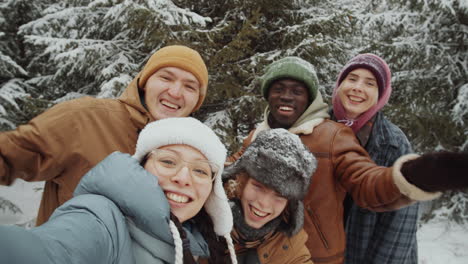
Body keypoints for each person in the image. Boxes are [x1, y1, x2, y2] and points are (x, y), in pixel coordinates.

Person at [228, 56, 468, 264]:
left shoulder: (333, 135)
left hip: (318, 256)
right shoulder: (258, 135)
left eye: (297, 91)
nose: (286, 97)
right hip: (264, 252)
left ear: (310, 98)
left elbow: (367, 181)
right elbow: (227, 172)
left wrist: (416, 175)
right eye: (278, 88)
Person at [0, 45, 210, 225]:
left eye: (189, 87)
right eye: (166, 77)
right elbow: (10, 154)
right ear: (144, 82)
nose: (175, 92)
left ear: (196, 101)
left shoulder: (194, 151)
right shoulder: (85, 119)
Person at [0, 117, 238, 264]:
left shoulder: (198, 241)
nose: (183, 178)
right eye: (167, 162)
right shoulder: (101, 218)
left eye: (200, 171)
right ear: (141, 166)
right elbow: (49, 252)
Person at [331, 53, 418, 263]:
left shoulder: (393, 144)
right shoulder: (316, 127)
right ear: (339, 84)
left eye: (370, 83)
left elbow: (399, 226)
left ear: (381, 95)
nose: (357, 87)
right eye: (351, 79)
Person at [223, 128, 316, 264]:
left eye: (279, 195)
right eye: (258, 186)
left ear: (289, 204)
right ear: (241, 182)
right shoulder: (203, 220)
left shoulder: (290, 246)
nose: (264, 203)